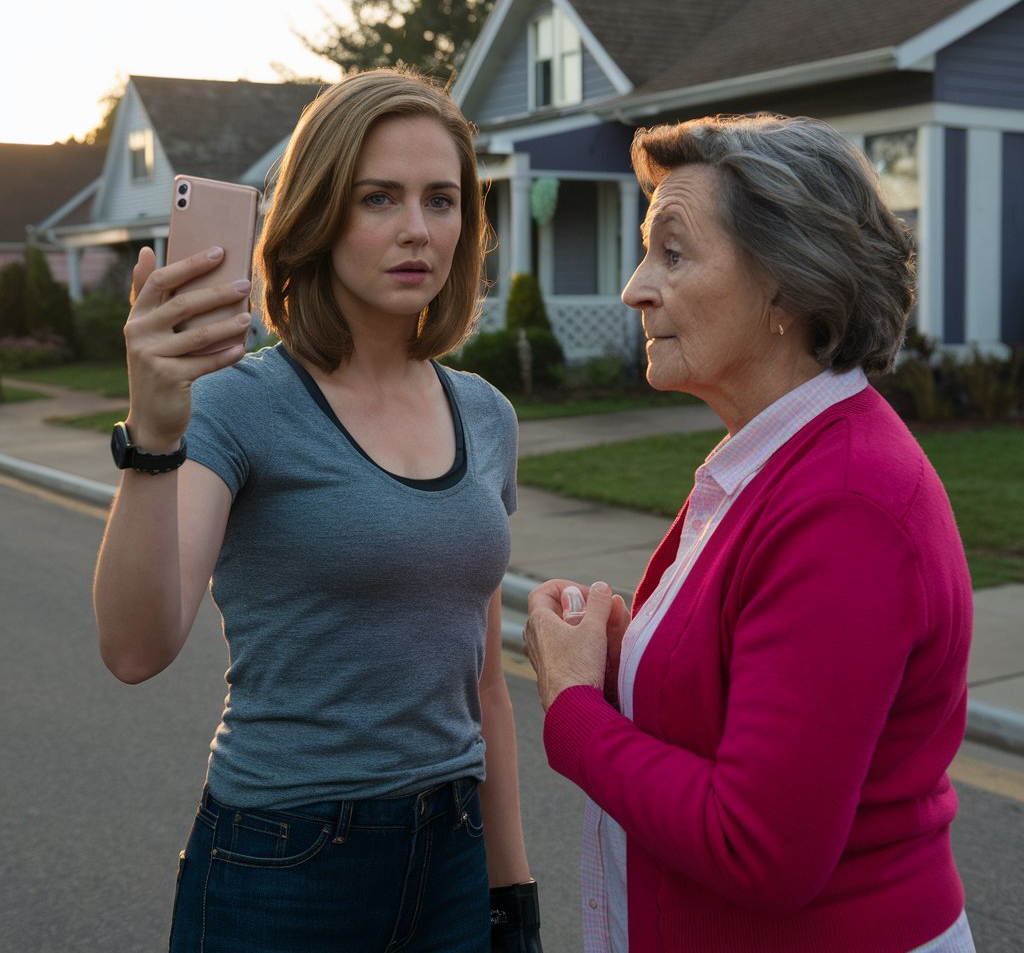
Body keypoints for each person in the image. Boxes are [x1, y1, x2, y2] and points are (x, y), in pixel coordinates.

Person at [93, 68, 542, 952]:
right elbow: (135, 648)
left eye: (441, 199)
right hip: (284, 866)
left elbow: (485, 685)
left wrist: (510, 894)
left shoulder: (486, 415)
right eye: (380, 198)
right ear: (318, 214)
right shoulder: (238, 404)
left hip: (452, 855)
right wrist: (152, 433)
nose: (418, 229)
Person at [524, 113, 976, 952]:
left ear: (787, 291)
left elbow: (760, 848)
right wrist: (627, 661)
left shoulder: (846, 504)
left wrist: (577, 709)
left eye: (673, 251)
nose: (634, 288)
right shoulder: (778, 458)